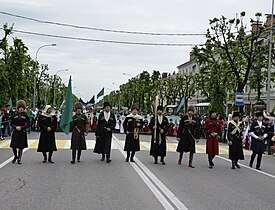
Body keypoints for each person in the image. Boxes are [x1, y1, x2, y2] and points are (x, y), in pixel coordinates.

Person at [10, 100, 30, 164]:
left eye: (22, 107)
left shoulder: (25, 115)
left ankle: (19, 158)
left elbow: (28, 124)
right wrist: (15, 127)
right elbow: (11, 123)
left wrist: (22, 127)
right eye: (20, 107)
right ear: (17, 108)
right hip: (15, 132)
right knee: (14, 146)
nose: (21, 109)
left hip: (22, 132)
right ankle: (15, 156)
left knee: (21, 146)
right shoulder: (14, 115)